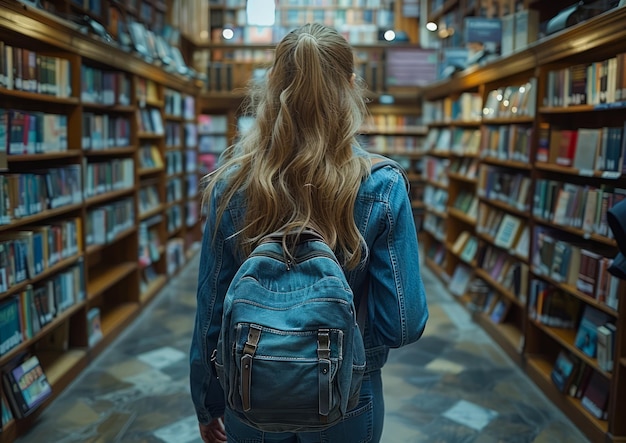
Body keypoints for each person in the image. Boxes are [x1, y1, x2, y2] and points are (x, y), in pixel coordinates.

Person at [189, 23, 429, 443]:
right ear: (352, 86)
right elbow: (402, 325)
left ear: (271, 87)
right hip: (347, 396)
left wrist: (207, 402)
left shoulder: (230, 186)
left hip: (250, 387)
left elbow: (211, 312)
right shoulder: (381, 185)